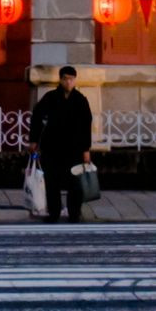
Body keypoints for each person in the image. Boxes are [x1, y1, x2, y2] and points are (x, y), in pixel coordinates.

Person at [29, 65, 95, 222]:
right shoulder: (50, 97)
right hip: (52, 146)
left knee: (75, 183)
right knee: (52, 182)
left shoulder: (80, 100)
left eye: (71, 79)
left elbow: (86, 126)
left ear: (75, 80)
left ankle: (74, 213)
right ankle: (54, 213)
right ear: (60, 80)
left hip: (74, 148)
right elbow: (37, 117)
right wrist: (34, 140)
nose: (68, 82)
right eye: (65, 79)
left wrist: (86, 149)